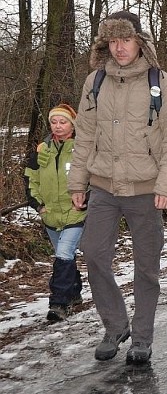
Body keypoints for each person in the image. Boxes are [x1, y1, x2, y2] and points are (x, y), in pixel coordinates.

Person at [68, 11, 167, 364]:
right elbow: (85, 136)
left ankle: (142, 338)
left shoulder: (161, 83)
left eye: (126, 40)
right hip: (103, 187)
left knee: (146, 267)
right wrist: (78, 181)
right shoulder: (95, 81)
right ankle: (115, 325)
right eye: (113, 41)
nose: (119, 48)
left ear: (140, 42)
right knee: (93, 254)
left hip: (146, 190)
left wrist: (166, 185)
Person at [24, 104, 85, 322]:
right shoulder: (42, 150)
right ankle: (75, 291)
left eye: (63, 122)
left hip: (75, 213)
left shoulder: (82, 148)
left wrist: (84, 201)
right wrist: (38, 204)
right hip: (50, 214)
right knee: (65, 256)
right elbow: (31, 178)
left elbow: (94, 178)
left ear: (73, 124)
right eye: (54, 122)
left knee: (63, 254)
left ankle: (59, 303)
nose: (58, 126)